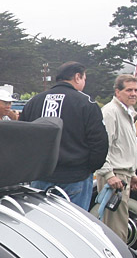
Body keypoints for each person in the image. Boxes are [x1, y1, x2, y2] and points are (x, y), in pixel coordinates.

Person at [19, 62, 109, 210]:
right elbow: (99, 143)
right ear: (77, 77)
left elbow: (21, 139)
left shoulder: (34, 102)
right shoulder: (86, 103)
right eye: (84, 78)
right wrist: (88, 169)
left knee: (42, 225)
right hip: (75, 177)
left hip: (40, 176)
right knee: (72, 227)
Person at [95, 75, 137, 241]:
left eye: (136, 90)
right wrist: (109, 175)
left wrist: (133, 174)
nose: (134, 94)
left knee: (120, 225)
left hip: (123, 175)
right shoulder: (111, 112)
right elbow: (102, 147)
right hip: (115, 177)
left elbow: (123, 148)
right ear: (117, 92)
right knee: (114, 229)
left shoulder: (127, 113)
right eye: (129, 90)